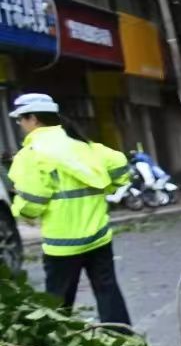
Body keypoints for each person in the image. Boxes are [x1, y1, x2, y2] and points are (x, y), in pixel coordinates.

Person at [7, 93, 132, 328]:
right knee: (108, 290)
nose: (20, 125)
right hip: (98, 237)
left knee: (58, 303)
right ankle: (123, 340)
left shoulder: (31, 154)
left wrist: (20, 211)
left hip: (62, 244)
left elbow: (33, 202)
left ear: (32, 118)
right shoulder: (83, 145)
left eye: (20, 120)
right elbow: (119, 164)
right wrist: (108, 188)